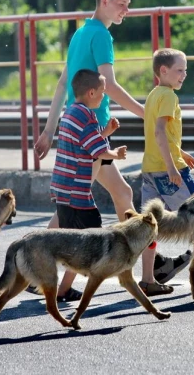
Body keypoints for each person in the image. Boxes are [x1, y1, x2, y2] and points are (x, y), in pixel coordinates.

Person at [33, 0, 189, 299]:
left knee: (106, 199)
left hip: (83, 130)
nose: (126, 11)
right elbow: (111, 85)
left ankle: (142, 270)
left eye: (128, 5)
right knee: (105, 201)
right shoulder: (101, 36)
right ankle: (142, 272)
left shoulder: (79, 34)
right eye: (121, 4)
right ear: (105, 1)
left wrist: (49, 129)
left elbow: (63, 84)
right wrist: (146, 113)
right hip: (92, 133)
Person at [50, 69, 127, 300]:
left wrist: (106, 132)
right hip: (77, 190)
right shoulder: (87, 116)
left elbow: (86, 142)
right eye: (102, 93)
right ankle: (64, 286)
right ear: (91, 92)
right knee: (89, 238)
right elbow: (98, 151)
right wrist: (117, 154)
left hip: (63, 188)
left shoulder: (71, 112)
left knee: (74, 238)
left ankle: (61, 286)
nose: (104, 97)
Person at [140, 48, 194, 293]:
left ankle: (147, 279)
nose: (184, 75)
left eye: (185, 70)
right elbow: (159, 131)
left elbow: (163, 136)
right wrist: (172, 166)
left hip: (149, 171)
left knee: (149, 226)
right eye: (179, 70)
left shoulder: (153, 95)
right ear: (163, 71)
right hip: (169, 172)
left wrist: (180, 152)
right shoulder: (168, 96)